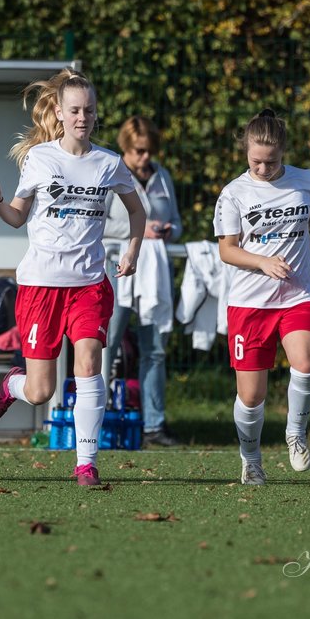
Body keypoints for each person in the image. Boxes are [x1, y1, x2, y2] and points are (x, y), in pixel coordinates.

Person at [0, 68, 146, 487]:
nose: (82, 117)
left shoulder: (110, 163)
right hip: (40, 287)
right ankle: (11, 386)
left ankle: (86, 464)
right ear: (59, 111)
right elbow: (17, 217)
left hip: (89, 284)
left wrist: (132, 251)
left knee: (89, 363)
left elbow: (138, 212)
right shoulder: (40, 158)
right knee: (40, 391)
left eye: (89, 110)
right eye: (74, 110)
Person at [214, 109, 310, 484]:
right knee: (252, 396)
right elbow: (227, 249)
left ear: (284, 153)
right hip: (250, 304)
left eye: (270, 162)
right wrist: (261, 262)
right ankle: (251, 459)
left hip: (299, 293)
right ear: (246, 153)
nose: (262, 168)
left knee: (305, 362)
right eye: (255, 161)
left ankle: (295, 433)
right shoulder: (233, 194)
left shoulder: (304, 181)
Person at [102, 116, 182, 446]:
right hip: (117, 268)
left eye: (149, 151)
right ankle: (97, 417)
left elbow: (176, 222)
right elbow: (100, 223)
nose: (145, 157)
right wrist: (139, 232)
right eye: (139, 151)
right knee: (106, 343)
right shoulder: (111, 173)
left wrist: (165, 231)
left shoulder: (162, 177)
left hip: (154, 272)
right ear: (126, 148)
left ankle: (154, 426)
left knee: (155, 349)